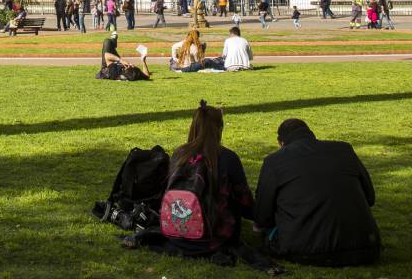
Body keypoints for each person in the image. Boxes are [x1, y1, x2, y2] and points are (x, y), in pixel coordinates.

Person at [253, 118, 379, 266]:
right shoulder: (344, 150)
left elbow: (263, 215)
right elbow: (369, 197)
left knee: (267, 231)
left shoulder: (275, 161)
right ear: (311, 135)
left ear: (281, 143)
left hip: (303, 250)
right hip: (365, 247)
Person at [157, 101, 254, 258]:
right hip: (213, 239)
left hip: (175, 235)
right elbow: (244, 199)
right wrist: (259, 217)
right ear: (219, 129)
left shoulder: (179, 154)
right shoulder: (227, 157)